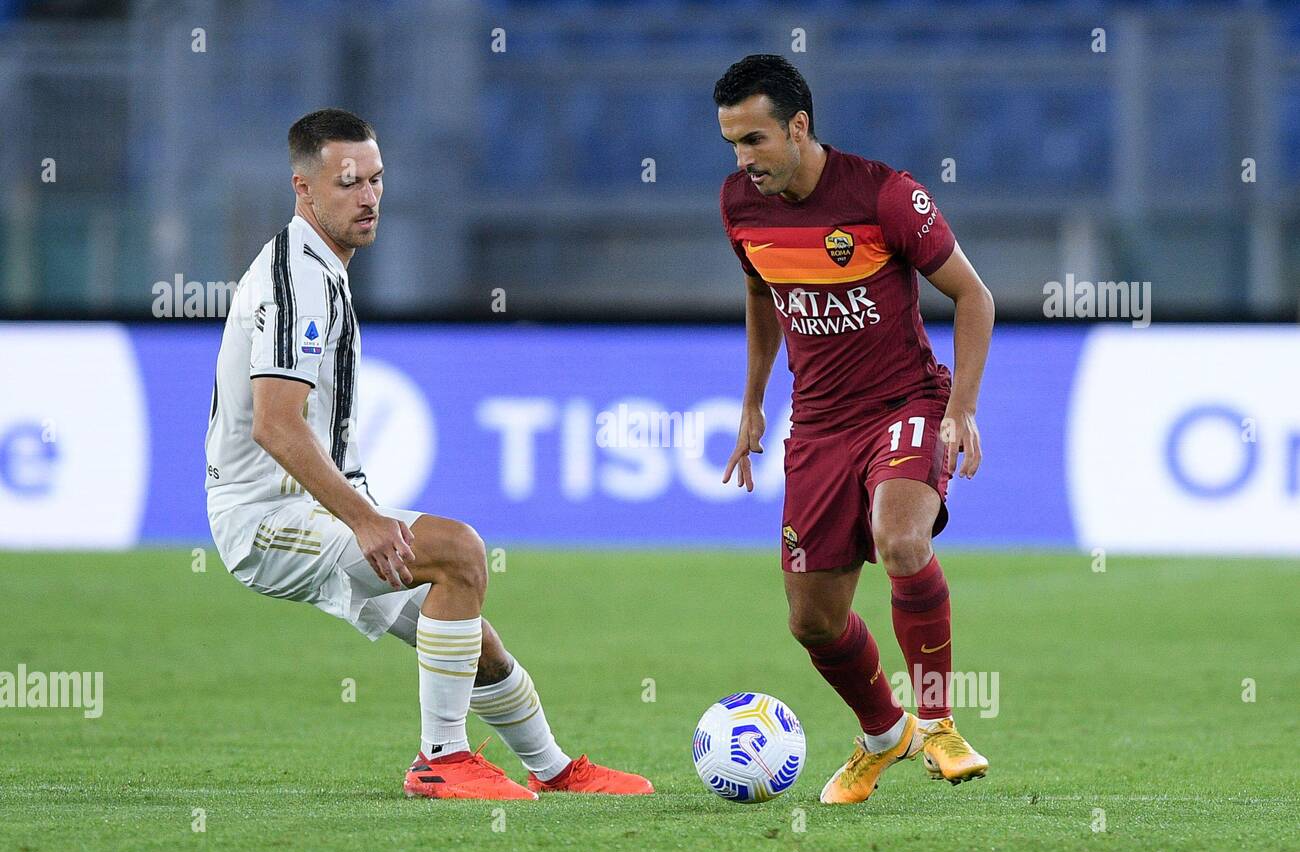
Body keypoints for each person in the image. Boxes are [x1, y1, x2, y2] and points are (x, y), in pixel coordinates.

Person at [204, 108, 652, 800]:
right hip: (265, 517)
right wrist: (365, 519)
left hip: (318, 509)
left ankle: (555, 769)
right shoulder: (297, 281)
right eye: (349, 182)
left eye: (377, 180)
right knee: (460, 552)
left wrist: (362, 515)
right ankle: (440, 759)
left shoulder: (322, 268)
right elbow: (276, 426)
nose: (369, 196)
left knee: (472, 636)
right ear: (304, 188)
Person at [714, 56, 994, 804]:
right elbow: (761, 293)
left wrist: (959, 410)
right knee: (812, 621)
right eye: (732, 145)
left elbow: (974, 296)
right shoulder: (741, 205)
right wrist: (752, 400)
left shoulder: (885, 196)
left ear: (798, 128)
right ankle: (885, 734)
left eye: (754, 140)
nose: (743, 161)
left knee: (902, 540)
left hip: (903, 400)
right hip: (818, 424)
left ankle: (937, 723)